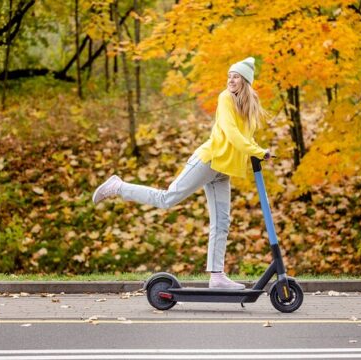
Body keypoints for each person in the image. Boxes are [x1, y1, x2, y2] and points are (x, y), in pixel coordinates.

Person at [92, 57, 270, 289]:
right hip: (208, 160)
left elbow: (246, 135)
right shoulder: (225, 98)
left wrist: (257, 151)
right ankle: (118, 187)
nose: (230, 80)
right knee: (167, 198)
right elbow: (231, 132)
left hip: (223, 170)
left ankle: (216, 276)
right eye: (229, 76)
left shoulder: (249, 103)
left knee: (222, 222)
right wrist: (256, 150)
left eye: (235, 76)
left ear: (245, 80)